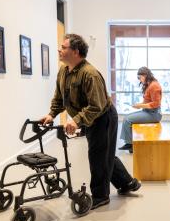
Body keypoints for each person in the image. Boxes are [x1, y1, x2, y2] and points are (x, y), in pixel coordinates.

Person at [40, 34, 141, 210]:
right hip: (90, 117)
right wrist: (51, 114)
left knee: (98, 156)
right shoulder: (64, 71)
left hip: (103, 117)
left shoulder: (90, 74)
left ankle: (101, 196)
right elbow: (59, 98)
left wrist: (76, 121)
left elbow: (97, 106)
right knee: (103, 152)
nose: (59, 50)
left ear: (76, 52)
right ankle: (127, 183)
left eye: (63, 47)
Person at [119, 67, 162, 153]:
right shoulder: (150, 84)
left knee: (127, 119)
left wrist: (140, 105)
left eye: (140, 78)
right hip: (148, 112)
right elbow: (147, 101)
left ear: (145, 75)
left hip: (154, 114)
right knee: (127, 117)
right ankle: (130, 143)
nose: (139, 80)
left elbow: (155, 104)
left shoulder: (154, 86)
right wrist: (139, 105)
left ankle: (130, 144)